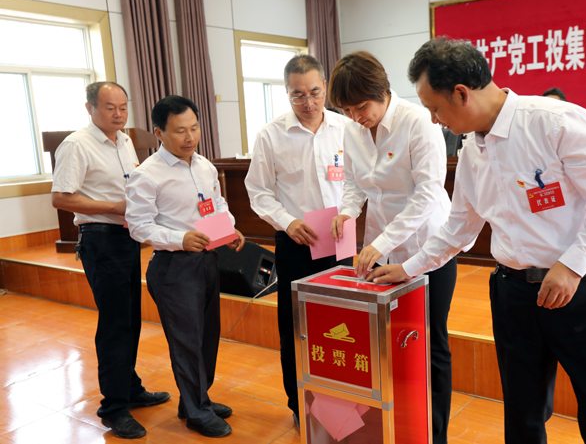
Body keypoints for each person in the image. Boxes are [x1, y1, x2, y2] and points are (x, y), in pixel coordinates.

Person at [369, 37, 586, 444]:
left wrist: (570, 266)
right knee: (522, 417)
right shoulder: (471, 152)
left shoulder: (555, 122)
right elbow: (459, 227)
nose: (433, 120)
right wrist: (408, 268)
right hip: (514, 294)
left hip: (584, 289)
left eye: (435, 108)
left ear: (461, 93)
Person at [327, 51, 459, 444]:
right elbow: (354, 183)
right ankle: (397, 423)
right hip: (382, 250)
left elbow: (427, 194)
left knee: (430, 343)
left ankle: (435, 434)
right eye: (346, 110)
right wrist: (347, 212)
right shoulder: (353, 129)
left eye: (361, 107)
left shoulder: (417, 122)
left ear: (382, 91)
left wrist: (381, 241)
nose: (355, 117)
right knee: (388, 338)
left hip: (427, 248)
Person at [51, 82, 170, 440]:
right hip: (101, 240)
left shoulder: (124, 141)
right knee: (115, 324)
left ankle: (130, 388)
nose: (118, 114)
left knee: (130, 319)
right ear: (90, 108)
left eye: (123, 107)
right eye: (109, 107)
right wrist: (114, 208)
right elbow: (61, 198)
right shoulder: (77, 144)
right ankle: (114, 408)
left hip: (127, 237)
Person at [126, 95, 245, 438]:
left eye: (194, 128)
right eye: (180, 130)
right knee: (187, 341)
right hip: (173, 267)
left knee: (207, 336)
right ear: (159, 133)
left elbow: (217, 203)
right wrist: (180, 239)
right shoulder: (146, 174)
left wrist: (228, 227)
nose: (189, 137)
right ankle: (196, 411)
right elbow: (138, 226)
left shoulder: (204, 165)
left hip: (207, 260)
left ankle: (195, 400)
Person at [244, 54, 354, 428]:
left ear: (326, 87)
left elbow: (359, 182)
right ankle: (299, 404)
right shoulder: (271, 135)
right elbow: (258, 191)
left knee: (343, 321)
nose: (308, 103)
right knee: (296, 326)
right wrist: (288, 222)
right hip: (296, 239)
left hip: (340, 237)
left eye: (315, 93)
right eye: (298, 95)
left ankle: (343, 398)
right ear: (287, 92)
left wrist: (348, 212)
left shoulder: (346, 128)